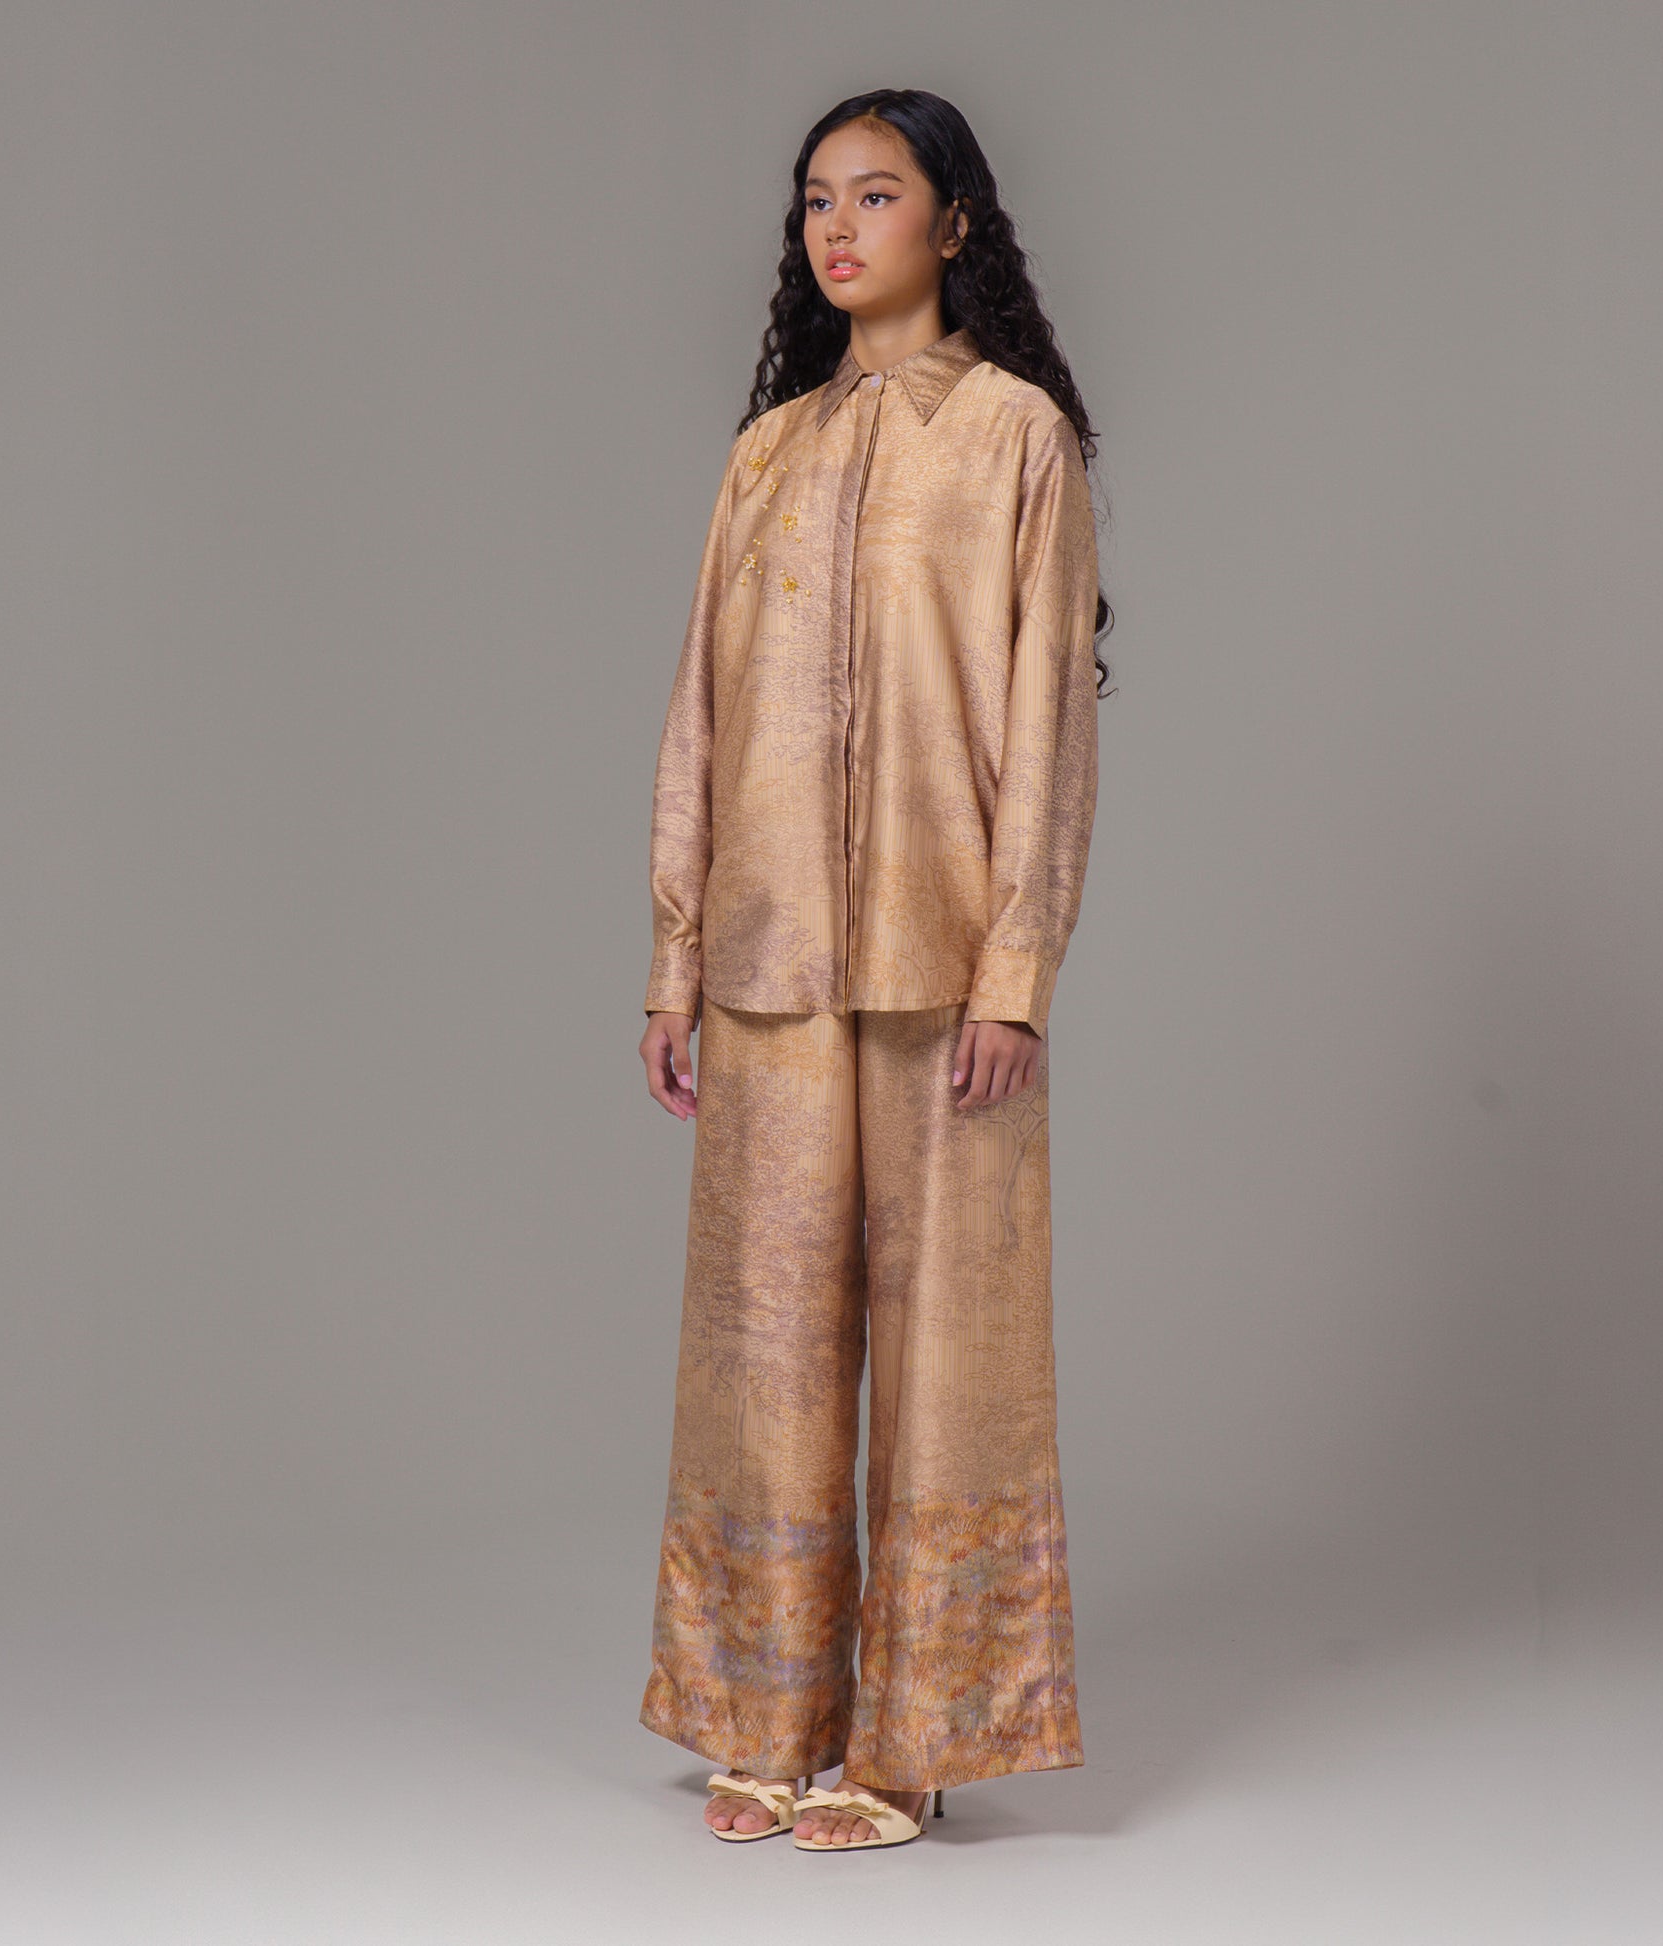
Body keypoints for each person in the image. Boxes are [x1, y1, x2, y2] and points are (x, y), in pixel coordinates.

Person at [635, 86, 1112, 1853]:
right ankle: (764, 1710)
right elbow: (699, 711)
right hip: (766, 956)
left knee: (947, 1349)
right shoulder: (765, 452)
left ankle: (914, 1735)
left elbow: (1048, 722)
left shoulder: (1015, 439)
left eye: (876, 195)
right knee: (761, 1346)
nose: (838, 228)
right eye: (816, 200)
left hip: (942, 956)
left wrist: (1015, 970)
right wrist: (674, 955)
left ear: (952, 223)